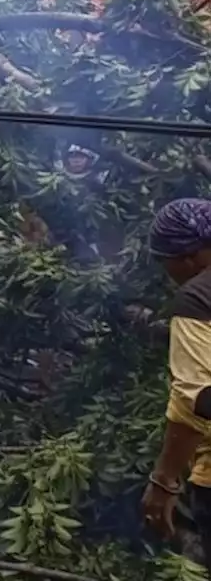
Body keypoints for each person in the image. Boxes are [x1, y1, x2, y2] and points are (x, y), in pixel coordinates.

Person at [141, 198, 212, 558]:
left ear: (186, 258)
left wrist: (164, 479)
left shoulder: (198, 296)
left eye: (163, 261)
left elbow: (197, 401)